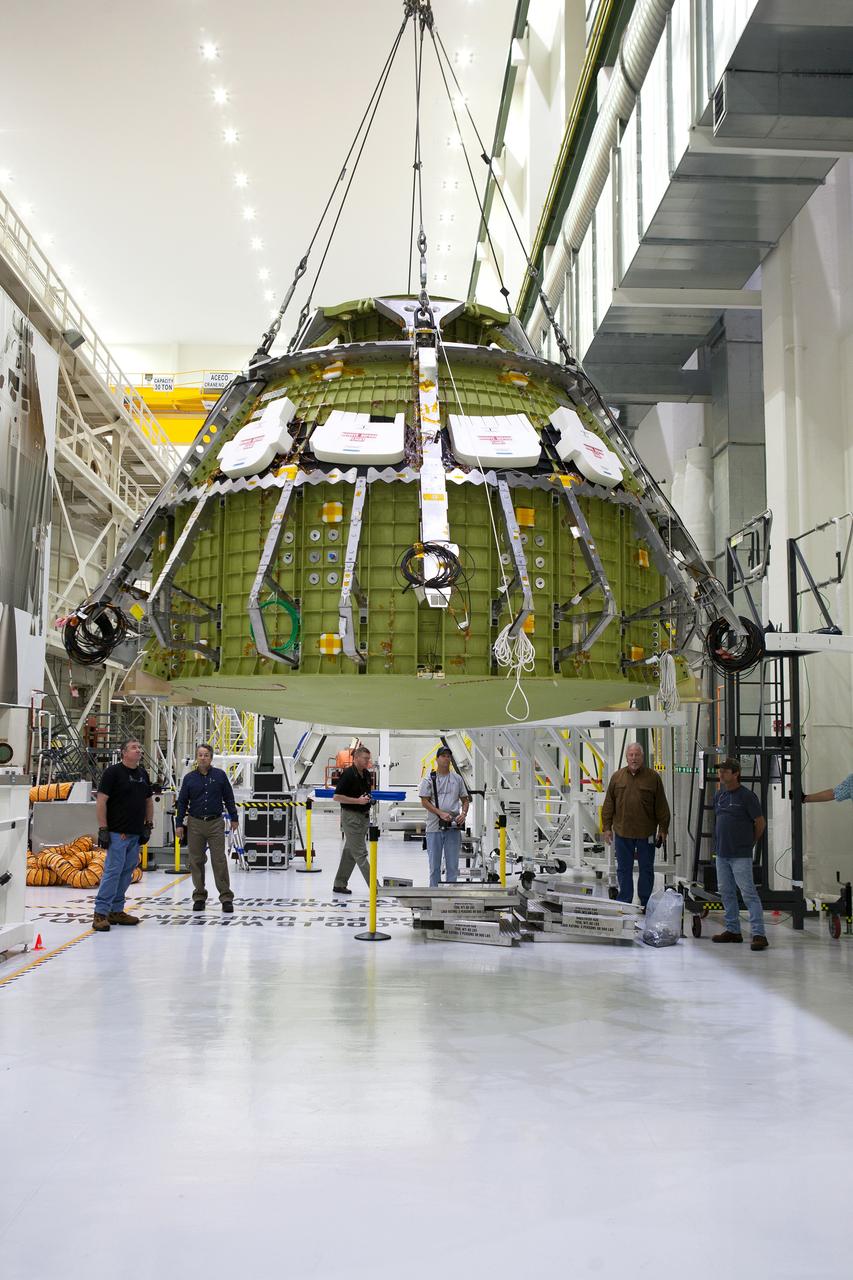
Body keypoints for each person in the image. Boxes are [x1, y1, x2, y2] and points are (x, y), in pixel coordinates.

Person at [92, 737, 154, 932]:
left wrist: (148, 825)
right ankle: (100, 913)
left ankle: (116, 910)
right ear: (124, 753)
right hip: (118, 833)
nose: (139, 750)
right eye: (134, 748)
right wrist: (103, 828)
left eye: (139, 747)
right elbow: (101, 801)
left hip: (135, 833)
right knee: (113, 872)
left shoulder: (143, 774)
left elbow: (148, 801)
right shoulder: (113, 773)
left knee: (127, 873)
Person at [601, 742, 670, 908]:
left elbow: (661, 805)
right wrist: (607, 828)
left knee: (646, 869)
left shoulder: (653, 778)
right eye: (631, 755)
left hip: (646, 833)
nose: (634, 758)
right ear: (626, 757)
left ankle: (645, 902)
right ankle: (625, 901)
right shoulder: (617, 777)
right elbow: (609, 804)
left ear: (642, 757)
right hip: (623, 832)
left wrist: (663, 829)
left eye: (637, 755)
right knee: (624, 869)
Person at [712, 757, 768, 950]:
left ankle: (759, 934)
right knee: (726, 892)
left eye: (725, 771)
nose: (721, 774)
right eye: (720, 770)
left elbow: (760, 823)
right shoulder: (719, 795)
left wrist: (749, 842)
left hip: (740, 855)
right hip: (722, 854)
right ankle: (733, 930)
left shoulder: (747, 796)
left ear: (736, 774)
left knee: (748, 893)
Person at [175, 744, 239, 913]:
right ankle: (199, 896)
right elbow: (182, 802)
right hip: (195, 824)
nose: (203, 758)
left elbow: (229, 797)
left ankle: (226, 897)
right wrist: (179, 823)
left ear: (211, 758)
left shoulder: (220, 776)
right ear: (197, 757)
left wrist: (234, 817)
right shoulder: (189, 778)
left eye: (206, 755)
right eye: (200, 755)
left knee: (219, 860)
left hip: (215, 823)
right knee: (196, 860)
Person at [419, 746, 470, 887]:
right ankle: (434, 893)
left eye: (448, 756)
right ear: (437, 759)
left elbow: (465, 800)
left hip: (452, 828)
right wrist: (440, 813)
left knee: (452, 866)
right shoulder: (429, 779)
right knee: (434, 866)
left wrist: (463, 814)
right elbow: (424, 801)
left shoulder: (457, 779)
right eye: (443, 756)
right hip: (434, 827)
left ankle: (451, 894)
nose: (446, 758)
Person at [332, 744, 373, 895]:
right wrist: (358, 801)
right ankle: (375, 887)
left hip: (363, 818)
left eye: (368, 758)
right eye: (365, 758)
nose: (367, 761)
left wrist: (367, 799)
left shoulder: (366, 774)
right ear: (356, 758)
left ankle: (339, 883)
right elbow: (337, 797)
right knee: (361, 854)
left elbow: (364, 794)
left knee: (350, 852)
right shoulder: (348, 774)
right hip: (351, 818)